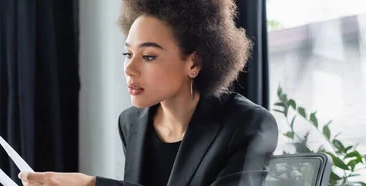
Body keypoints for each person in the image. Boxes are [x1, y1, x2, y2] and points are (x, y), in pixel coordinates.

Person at [18, 0, 278, 185]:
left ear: (194, 63)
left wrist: (91, 185)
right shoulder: (131, 122)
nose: (130, 69)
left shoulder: (248, 125)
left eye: (149, 56)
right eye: (128, 54)